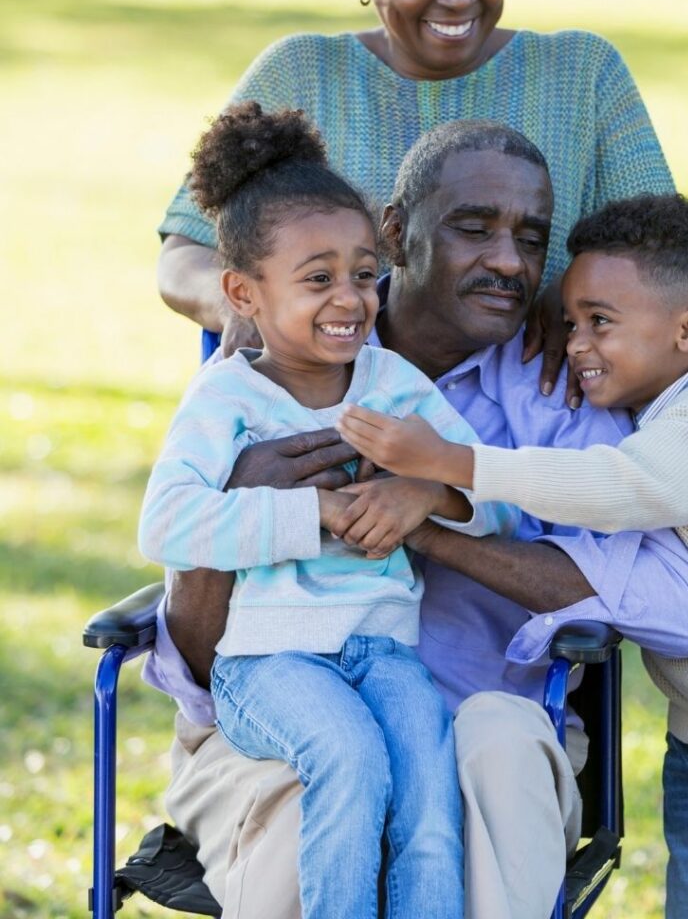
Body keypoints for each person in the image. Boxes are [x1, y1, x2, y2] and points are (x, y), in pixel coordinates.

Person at [144, 122, 688, 919]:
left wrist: (426, 509)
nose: (511, 262)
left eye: (531, 239)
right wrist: (267, 501)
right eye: (474, 228)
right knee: (322, 790)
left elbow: (673, 599)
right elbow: (187, 594)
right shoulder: (259, 383)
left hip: (482, 715)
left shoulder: (562, 391)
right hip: (274, 707)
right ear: (398, 232)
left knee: (486, 746)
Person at [338, 192, 688, 918]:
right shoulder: (659, 406)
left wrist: (455, 462)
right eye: (570, 322)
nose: (574, 346)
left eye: (600, 324)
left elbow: (616, 488)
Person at [139, 103, 517, 918]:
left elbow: (493, 504)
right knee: (347, 758)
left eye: (362, 271)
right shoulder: (228, 399)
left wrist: (424, 494)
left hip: (383, 650)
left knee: (426, 782)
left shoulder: (394, 386)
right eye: (318, 279)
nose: (350, 297)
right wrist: (310, 515)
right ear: (244, 291)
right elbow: (165, 525)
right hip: (269, 663)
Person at [156, 0, 674, 388]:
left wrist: (575, 295)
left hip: (538, 423)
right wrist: (241, 306)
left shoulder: (583, 74)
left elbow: (667, 248)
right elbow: (184, 252)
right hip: (334, 410)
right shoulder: (300, 75)